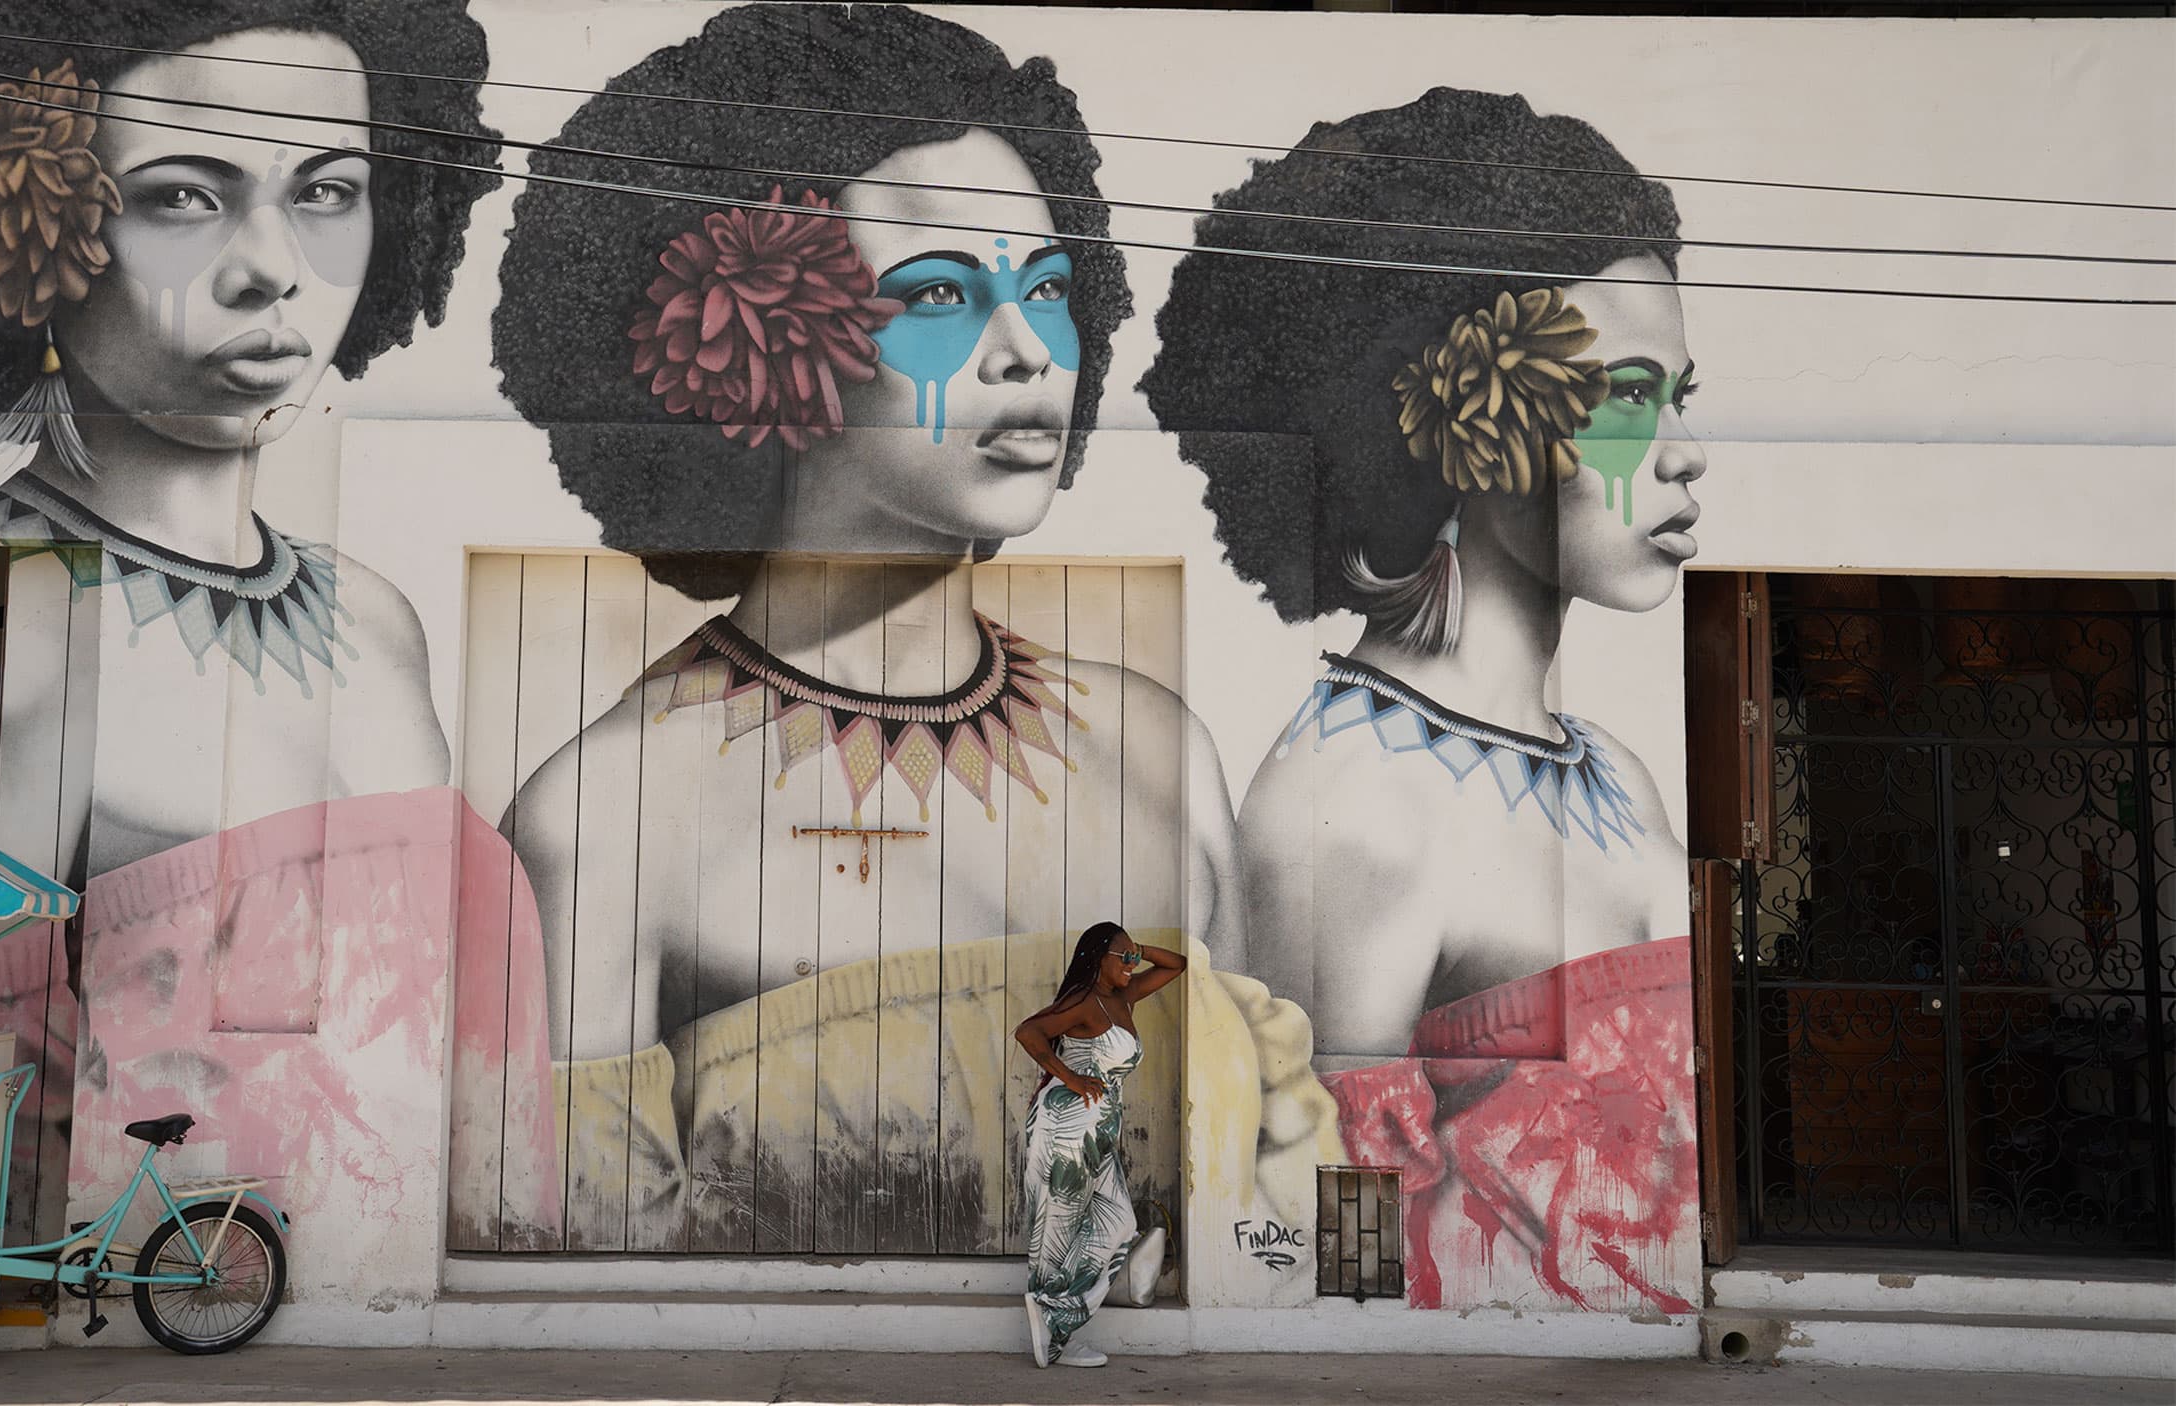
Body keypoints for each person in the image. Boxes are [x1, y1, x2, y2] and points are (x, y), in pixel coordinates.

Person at [482, 2, 1246, 1254]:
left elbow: (1245, 1178)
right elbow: (582, 1255)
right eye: (941, 293)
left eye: (1048, 290)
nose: (1025, 354)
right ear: (768, 342)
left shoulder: (1166, 749)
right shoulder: (603, 813)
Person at [0, 0, 506, 1265]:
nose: (272, 266)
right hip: (124, 1199)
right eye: (182, 196)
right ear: (27, 220)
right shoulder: (6, 588)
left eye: (329, 189)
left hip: (365, 1224)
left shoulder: (377, 618)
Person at [1143, 88, 1703, 1311]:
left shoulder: (1608, 764)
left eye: (1678, 398)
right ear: (1469, 423)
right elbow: (1321, 1195)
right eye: (1621, 398)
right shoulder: (1353, 803)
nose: (1679, 451)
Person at [1011, 922, 1182, 1368]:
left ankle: (1057, 1317)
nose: (1132, 965)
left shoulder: (1123, 996)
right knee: (1061, 1228)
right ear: (1097, 959)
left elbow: (1176, 965)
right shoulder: (1085, 1001)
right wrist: (1068, 1076)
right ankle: (1054, 1330)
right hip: (1068, 1126)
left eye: (1133, 958)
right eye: (1122, 957)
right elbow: (1029, 1031)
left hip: (1096, 1130)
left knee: (1118, 1224)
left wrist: (1136, 948)